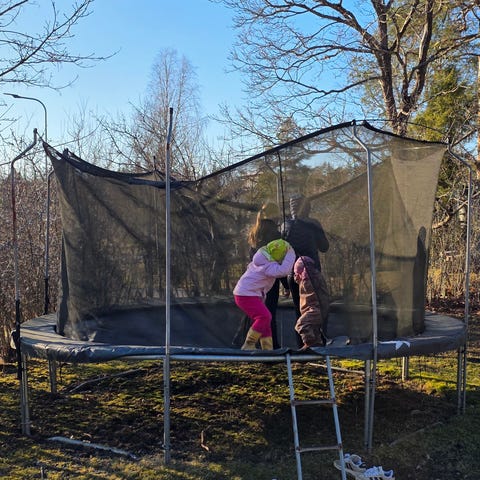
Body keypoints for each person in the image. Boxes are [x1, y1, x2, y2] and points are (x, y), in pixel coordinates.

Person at [282, 193, 330, 347]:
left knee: (300, 311)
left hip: (292, 275)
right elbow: (324, 247)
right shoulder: (313, 224)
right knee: (318, 308)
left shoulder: (284, 225)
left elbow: (281, 254)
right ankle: (319, 343)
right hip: (311, 274)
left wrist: (285, 284)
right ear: (307, 207)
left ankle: (302, 347)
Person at [233, 239, 295, 350]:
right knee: (265, 317)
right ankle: (249, 343)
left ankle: (267, 348)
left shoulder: (262, 260)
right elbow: (283, 271)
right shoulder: (268, 266)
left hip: (247, 294)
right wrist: (291, 253)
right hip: (246, 295)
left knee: (265, 322)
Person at [293, 256, 330, 349]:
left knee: (301, 324)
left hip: (316, 309)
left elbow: (308, 283)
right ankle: (317, 346)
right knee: (314, 330)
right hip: (312, 309)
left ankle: (310, 344)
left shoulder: (310, 278)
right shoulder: (307, 278)